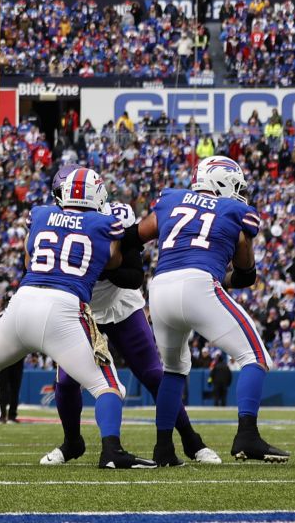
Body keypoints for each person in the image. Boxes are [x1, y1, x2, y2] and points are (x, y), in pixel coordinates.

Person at [0, 168, 154, 470]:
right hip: (65, 309)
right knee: (108, 386)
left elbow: (29, 258)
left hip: (22, 303)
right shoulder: (106, 223)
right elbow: (115, 262)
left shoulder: (40, 214)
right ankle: (112, 450)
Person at [128, 155, 288, 462]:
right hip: (199, 282)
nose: (240, 192)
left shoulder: (171, 199)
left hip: (160, 288)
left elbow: (137, 235)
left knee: (173, 369)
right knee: (255, 356)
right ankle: (247, 435)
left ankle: (163, 448)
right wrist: (228, 273)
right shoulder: (235, 210)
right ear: (221, 181)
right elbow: (246, 273)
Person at [41, 197, 217, 467]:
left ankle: (192, 440)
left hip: (120, 304)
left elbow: (134, 276)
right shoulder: (60, 222)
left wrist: (103, 264)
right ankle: (72, 442)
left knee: (153, 375)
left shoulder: (117, 216)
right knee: (66, 382)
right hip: (81, 309)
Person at [0, 354, 23, 422]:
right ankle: (3, 414)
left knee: (15, 388)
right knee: (2, 387)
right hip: (3, 358)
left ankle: (12, 414)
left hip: (17, 358)